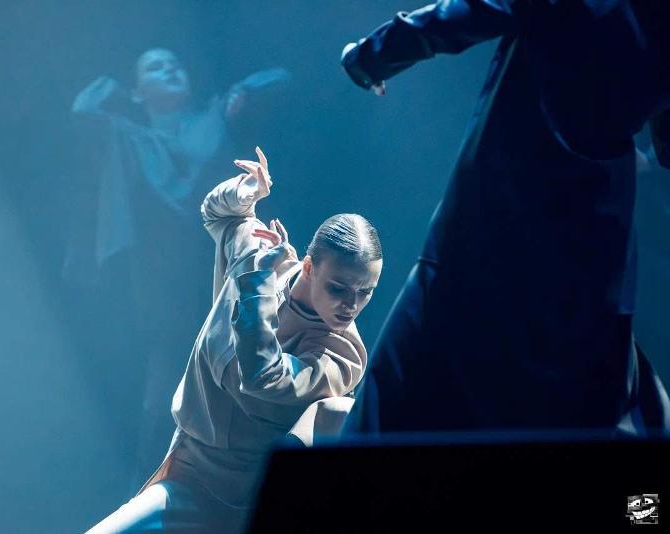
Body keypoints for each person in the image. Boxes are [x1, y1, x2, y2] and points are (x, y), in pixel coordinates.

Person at [340, 0, 670, 434]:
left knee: (413, 368)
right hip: (595, 224)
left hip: (503, 198)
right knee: (589, 385)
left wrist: (372, 55)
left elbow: (473, 10)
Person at [87, 147, 383, 533]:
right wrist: (245, 192)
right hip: (190, 475)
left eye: (365, 292)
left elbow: (262, 375)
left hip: (252, 503)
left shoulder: (341, 354)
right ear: (309, 267)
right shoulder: (259, 258)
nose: (352, 305)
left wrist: (257, 286)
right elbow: (218, 214)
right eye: (339, 288)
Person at [67, 49, 289, 485]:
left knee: (242, 374)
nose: (170, 69)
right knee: (166, 381)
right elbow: (82, 111)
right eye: (155, 67)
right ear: (138, 92)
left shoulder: (215, 117)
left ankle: (246, 485)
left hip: (220, 267)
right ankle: (151, 486)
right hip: (161, 280)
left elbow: (281, 77)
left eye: (175, 63)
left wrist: (244, 91)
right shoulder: (130, 137)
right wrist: (116, 89)